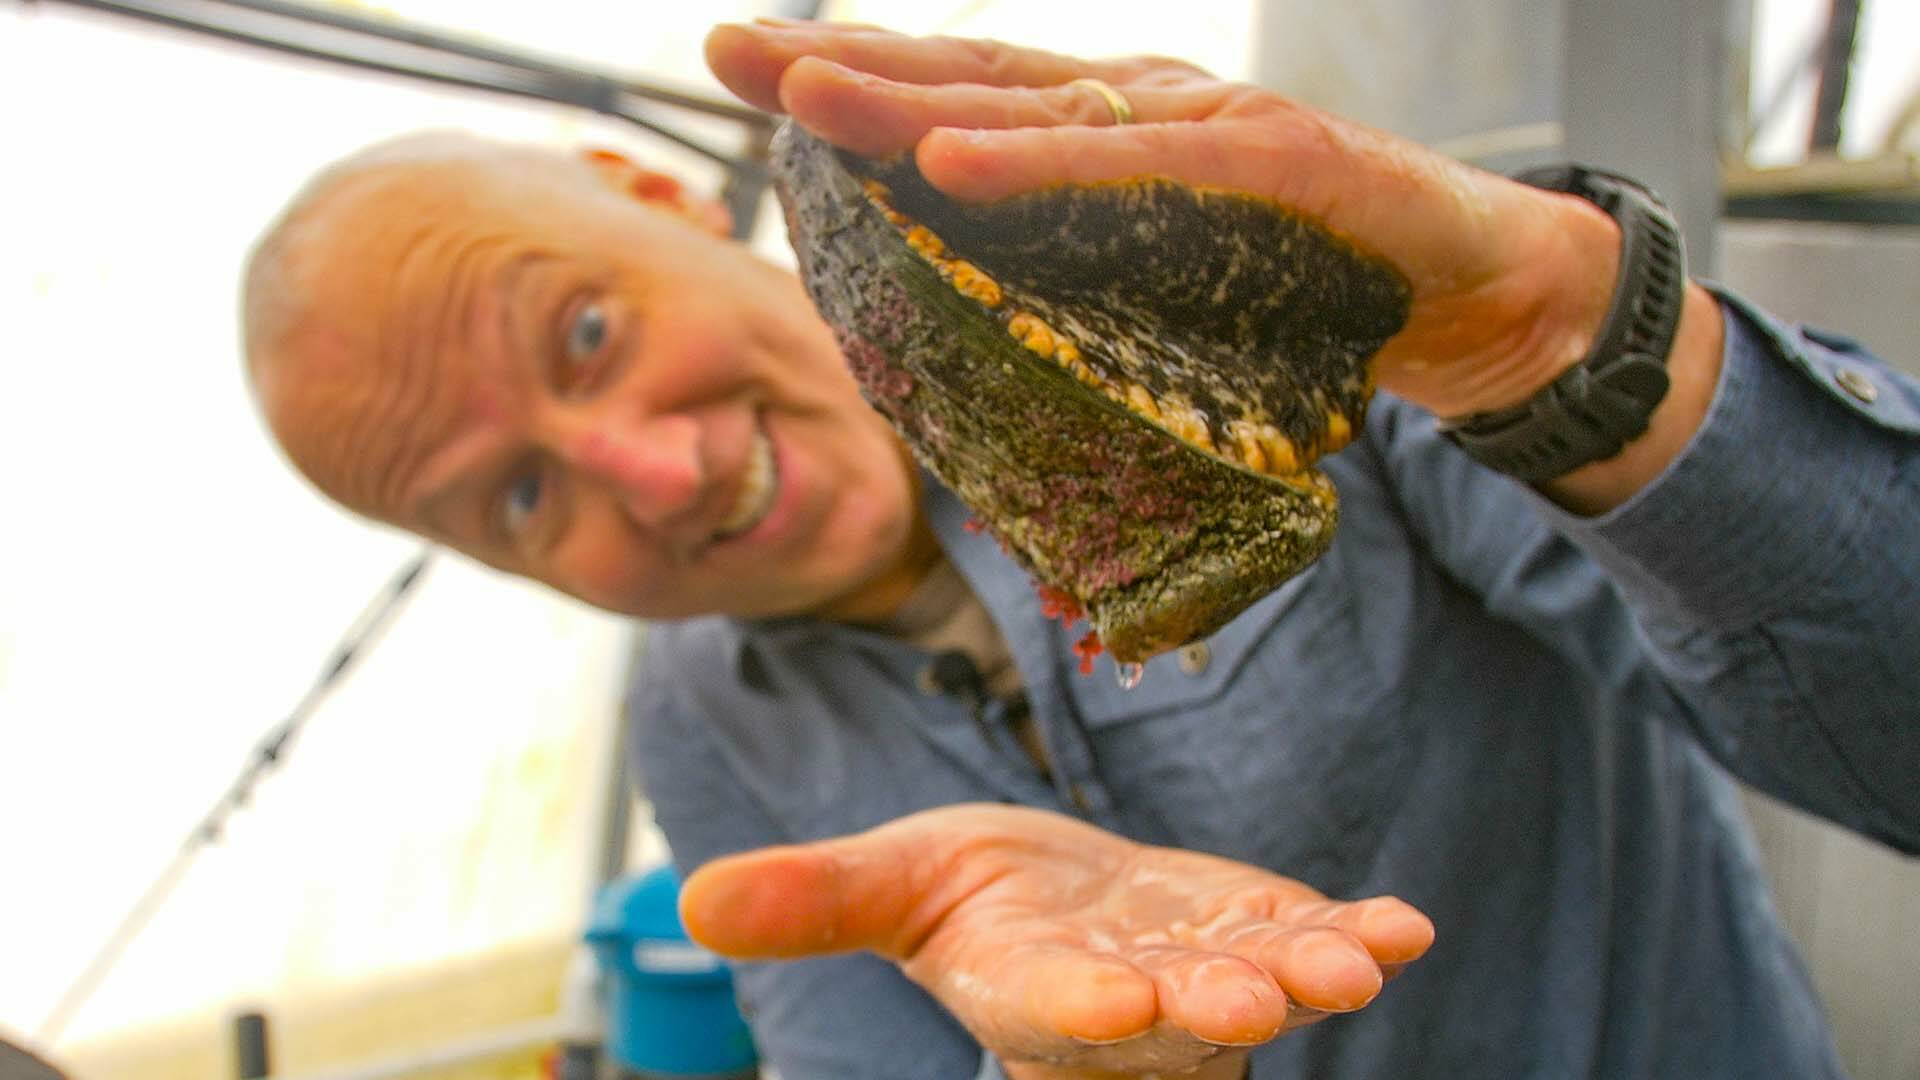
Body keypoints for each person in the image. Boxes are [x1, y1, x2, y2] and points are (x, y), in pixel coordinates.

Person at [239, 19, 1920, 1080]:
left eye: (588, 332)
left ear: (656, 192)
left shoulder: (1218, 322)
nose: (653, 472)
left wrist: (1572, 340)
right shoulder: (707, 717)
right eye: (520, 501)